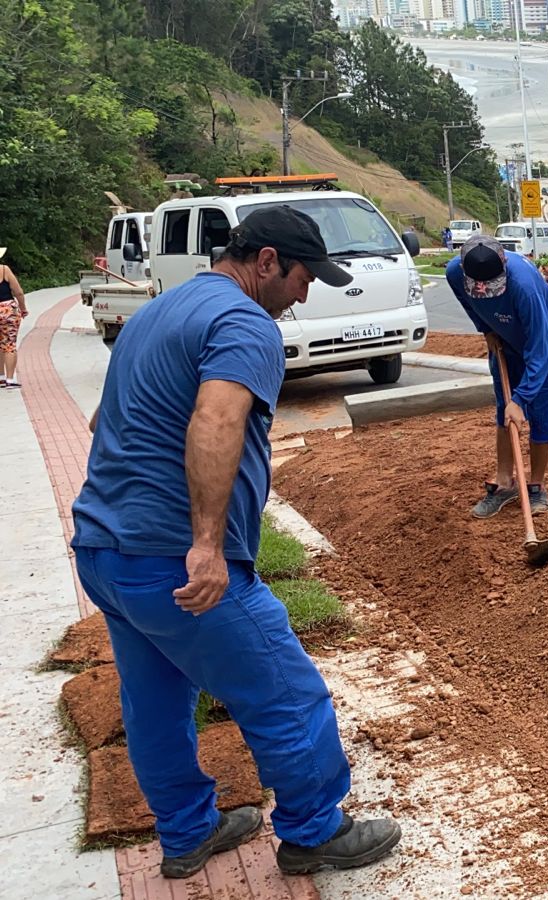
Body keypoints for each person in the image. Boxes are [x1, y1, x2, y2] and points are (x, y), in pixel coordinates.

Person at [71, 208, 402, 879]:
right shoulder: (244, 322)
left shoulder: (164, 311)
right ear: (269, 261)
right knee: (285, 692)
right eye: (305, 279)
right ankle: (314, 831)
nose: (306, 296)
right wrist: (205, 546)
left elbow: (106, 419)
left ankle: (188, 833)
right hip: (172, 560)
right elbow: (216, 419)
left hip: (105, 549)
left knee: (155, 700)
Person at [445, 235, 548, 518]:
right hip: (502, 338)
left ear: (503, 264)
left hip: (544, 339)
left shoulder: (523, 286)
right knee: (504, 408)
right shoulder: (454, 273)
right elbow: (467, 300)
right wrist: (484, 328)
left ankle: (536, 484)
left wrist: (522, 399)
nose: (485, 290)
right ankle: (505, 483)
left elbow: (540, 351)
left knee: (541, 410)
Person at [0, 247, 27, 388]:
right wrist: (23, 309)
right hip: (7, 310)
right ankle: (10, 380)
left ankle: (1, 377)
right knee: (9, 344)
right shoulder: (4, 270)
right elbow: (18, 292)